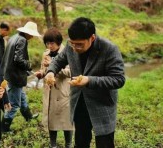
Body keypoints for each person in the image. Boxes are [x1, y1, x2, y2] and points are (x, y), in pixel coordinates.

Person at [44, 17, 126, 148]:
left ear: (92, 38)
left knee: (105, 143)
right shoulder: (71, 45)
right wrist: (50, 72)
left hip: (102, 103)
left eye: (80, 44)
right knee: (81, 142)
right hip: (79, 102)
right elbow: (58, 60)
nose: (75, 47)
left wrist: (89, 80)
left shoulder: (109, 49)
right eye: (72, 43)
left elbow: (118, 79)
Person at [34, 28, 74, 148]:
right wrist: (41, 73)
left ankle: (68, 144)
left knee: (67, 121)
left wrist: (54, 66)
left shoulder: (68, 52)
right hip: (50, 91)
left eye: (52, 43)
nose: (49, 46)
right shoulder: (45, 53)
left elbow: (71, 72)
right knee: (51, 121)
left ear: (58, 42)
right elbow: (43, 70)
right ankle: (53, 145)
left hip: (63, 91)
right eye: (47, 43)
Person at [1, 21, 40, 132]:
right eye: (32, 34)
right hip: (14, 77)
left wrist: (28, 71)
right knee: (13, 104)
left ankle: (28, 117)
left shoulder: (14, 37)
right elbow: (18, 60)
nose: (32, 36)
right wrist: (28, 65)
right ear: (27, 33)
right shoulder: (22, 40)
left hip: (9, 73)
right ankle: (4, 128)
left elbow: (12, 59)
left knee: (22, 98)